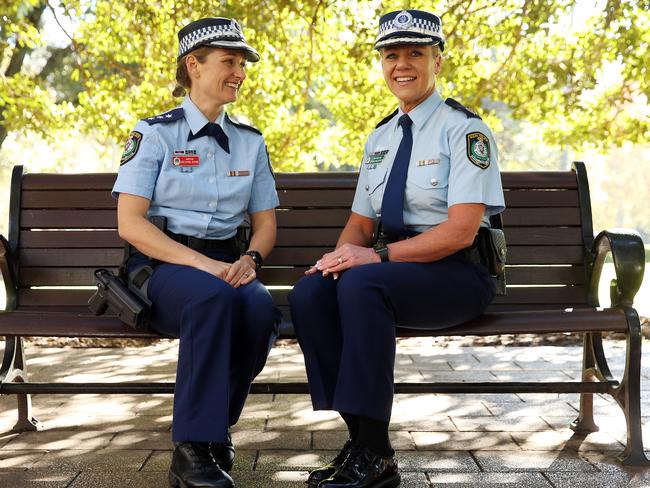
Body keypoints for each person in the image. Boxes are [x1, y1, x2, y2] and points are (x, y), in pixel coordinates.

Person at [288, 9, 505, 488]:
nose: (401, 64)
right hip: (394, 274)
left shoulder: (465, 130)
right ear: (382, 63)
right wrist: (337, 258)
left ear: (438, 61)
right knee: (311, 293)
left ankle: (372, 453)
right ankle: (365, 442)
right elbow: (362, 223)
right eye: (391, 54)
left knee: (364, 283)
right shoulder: (380, 137)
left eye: (415, 53)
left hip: (458, 274)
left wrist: (375, 259)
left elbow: (461, 232)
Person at [112, 17, 281, 488]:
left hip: (228, 267)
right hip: (164, 270)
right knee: (214, 298)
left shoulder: (250, 143)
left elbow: (265, 225)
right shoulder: (154, 134)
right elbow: (131, 224)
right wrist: (205, 265)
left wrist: (252, 261)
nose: (240, 73)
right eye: (229, 61)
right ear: (194, 65)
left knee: (261, 311)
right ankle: (190, 451)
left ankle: (212, 433)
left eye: (242, 63)